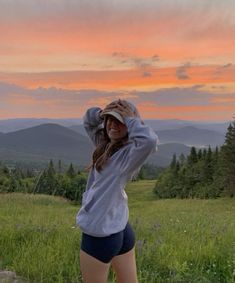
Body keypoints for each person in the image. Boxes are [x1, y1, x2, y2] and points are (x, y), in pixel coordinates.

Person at [76, 99, 158, 283]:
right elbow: (88, 121)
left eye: (120, 121)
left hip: (100, 235)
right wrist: (103, 113)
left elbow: (150, 141)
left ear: (129, 124)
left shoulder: (129, 155)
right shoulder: (104, 144)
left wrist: (130, 118)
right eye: (109, 120)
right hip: (120, 229)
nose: (113, 124)